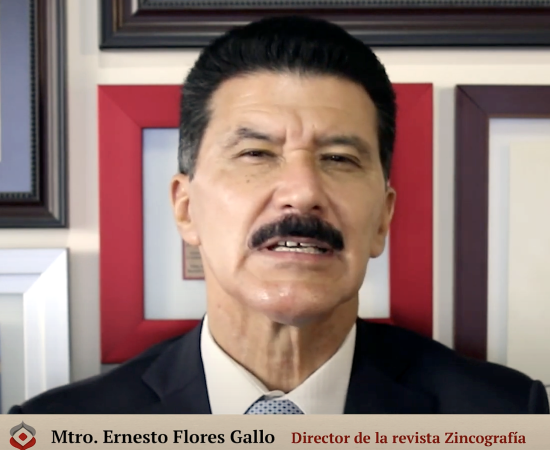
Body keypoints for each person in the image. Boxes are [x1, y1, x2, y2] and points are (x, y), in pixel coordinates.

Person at [9, 16, 549, 415]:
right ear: (185, 208)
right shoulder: (56, 428)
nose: (303, 192)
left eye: (338, 159)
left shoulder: (506, 416)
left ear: (382, 220)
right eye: (255, 153)